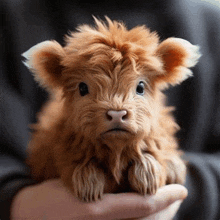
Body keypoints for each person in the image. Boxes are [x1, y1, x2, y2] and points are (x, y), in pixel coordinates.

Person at [1, 0, 220, 219]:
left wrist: (181, 186)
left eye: (140, 88)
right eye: (84, 89)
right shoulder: (9, 17)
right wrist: (14, 201)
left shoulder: (213, 23)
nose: (117, 109)